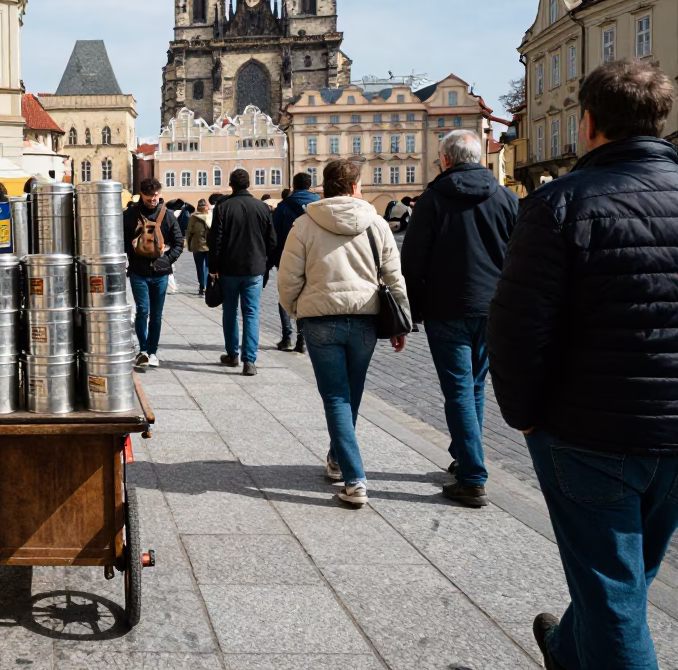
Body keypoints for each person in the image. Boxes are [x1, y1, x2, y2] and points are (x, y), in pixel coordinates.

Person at [488, 60, 678, 669]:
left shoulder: (560, 202)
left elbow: (519, 326)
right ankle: (568, 651)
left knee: (614, 592)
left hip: (591, 429)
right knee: (630, 573)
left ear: (588, 120)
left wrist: (524, 415)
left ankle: (584, 648)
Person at [278, 159, 408, 506]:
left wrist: (295, 312)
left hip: (320, 321)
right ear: (354, 187)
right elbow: (394, 276)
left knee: (337, 396)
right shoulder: (377, 224)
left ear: (325, 187)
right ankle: (346, 469)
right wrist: (402, 320)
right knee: (351, 392)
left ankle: (350, 474)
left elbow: (288, 278)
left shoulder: (304, 225)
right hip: (364, 319)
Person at [401, 131, 516, 508]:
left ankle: (472, 475)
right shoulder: (506, 198)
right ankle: (465, 457)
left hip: (446, 307)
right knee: (475, 386)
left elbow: (412, 261)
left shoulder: (432, 200)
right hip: (494, 308)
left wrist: (410, 313)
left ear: (446, 160)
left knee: (458, 391)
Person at [208, 168, 277, 376]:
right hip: (254, 268)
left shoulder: (223, 207)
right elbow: (272, 241)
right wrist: (266, 263)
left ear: (231, 184)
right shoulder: (262, 208)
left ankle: (232, 354)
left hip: (229, 268)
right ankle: (250, 361)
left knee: (230, 312)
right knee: (251, 313)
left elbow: (215, 241)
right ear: (249, 184)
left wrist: (213, 268)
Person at [122, 177, 184, 371]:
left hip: (161, 272)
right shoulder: (130, 214)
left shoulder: (168, 215)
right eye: (149, 195)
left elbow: (178, 242)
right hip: (138, 271)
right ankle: (143, 350)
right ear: (142, 194)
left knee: (156, 315)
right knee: (142, 310)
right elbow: (121, 241)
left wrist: (167, 260)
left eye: (156, 194)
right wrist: (130, 259)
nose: (153, 198)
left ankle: (153, 351)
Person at [270, 173, 321, 353]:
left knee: (285, 296)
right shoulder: (319, 205)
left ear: (293, 186)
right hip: (314, 258)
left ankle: (287, 338)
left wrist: (272, 261)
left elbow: (273, 237)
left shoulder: (282, 207)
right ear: (310, 186)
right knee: (306, 298)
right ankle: (303, 340)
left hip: (287, 258)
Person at [186, 199, 212, 296]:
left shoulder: (193, 217)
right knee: (208, 266)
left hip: (197, 245)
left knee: (200, 266)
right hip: (210, 246)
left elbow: (189, 232)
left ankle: (202, 286)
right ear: (207, 207)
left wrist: (188, 245)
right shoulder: (212, 216)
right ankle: (207, 285)